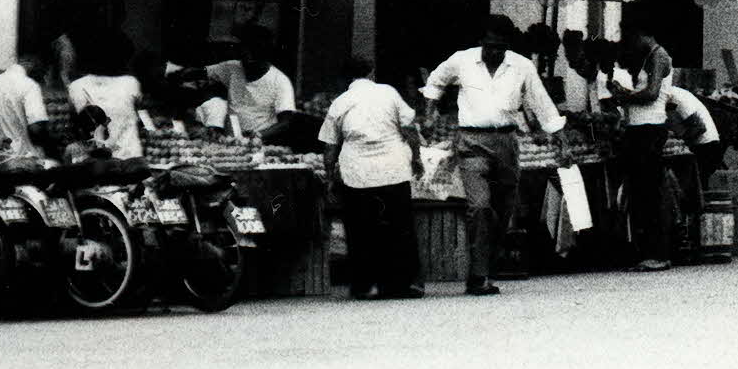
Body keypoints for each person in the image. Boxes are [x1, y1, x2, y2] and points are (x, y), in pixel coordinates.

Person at [421, 25, 564, 295]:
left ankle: (486, 265)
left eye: (500, 47)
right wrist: (430, 113)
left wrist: (560, 139)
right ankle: (478, 277)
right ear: (481, 42)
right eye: (490, 46)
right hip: (471, 142)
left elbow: (541, 101)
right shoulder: (461, 60)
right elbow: (435, 82)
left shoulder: (521, 66)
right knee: (480, 206)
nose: (494, 52)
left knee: (503, 209)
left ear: (507, 46)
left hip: (506, 143)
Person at [319, 60, 424, 299]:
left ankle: (363, 285)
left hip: (358, 173)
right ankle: (400, 285)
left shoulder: (340, 103)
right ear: (370, 73)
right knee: (399, 228)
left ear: (345, 79)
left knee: (361, 231)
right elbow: (409, 130)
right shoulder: (388, 93)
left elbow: (330, 148)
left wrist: (329, 178)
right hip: (393, 169)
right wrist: (416, 158)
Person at [604, 26, 680, 270]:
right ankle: (648, 251)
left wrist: (625, 96)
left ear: (643, 34)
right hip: (640, 127)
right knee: (641, 192)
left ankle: (657, 253)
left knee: (649, 192)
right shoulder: (650, 56)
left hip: (650, 128)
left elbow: (652, 93)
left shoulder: (659, 56)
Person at [66, 50, 148, 167]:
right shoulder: (131, 83)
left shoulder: (76, 86)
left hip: (97, 164)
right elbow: (139, 117)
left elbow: (74, 128)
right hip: (130, 160)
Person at [0, 46, 49, 160]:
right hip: (22, 160)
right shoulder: (29, 85)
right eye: (43, 67)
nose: (44, 73)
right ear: (33, 62)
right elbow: (36, 127)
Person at [216, 40, 297, 139]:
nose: (247, 65)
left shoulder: (280, 81)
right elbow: (203, 72)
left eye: (253, 60)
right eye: (244, 60)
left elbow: (285, 122)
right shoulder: (233, 68)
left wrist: (259, 135)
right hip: (231, 140)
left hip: (262, 142)